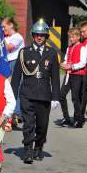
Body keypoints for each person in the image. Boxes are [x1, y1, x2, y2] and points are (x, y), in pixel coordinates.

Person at [11, 19, 60, 164]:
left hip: (44, 95)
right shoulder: (24, 52)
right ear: (33, 35)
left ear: (46, 37)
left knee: (42, 125)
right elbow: (16, 76)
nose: (39, 37)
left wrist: (55, 97)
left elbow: (55, 77)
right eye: (37, 34)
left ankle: (39, 146)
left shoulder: (51, 53)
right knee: (28, 124)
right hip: (27, 94)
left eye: (42, 35)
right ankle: (28, 150)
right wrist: (12, 96)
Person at [57, 27, 87, 128]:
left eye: (73, 37)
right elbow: (66, 59)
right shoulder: (69, 48)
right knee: (61, 95)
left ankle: (79, 120)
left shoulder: (82, 48)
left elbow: (83, 63)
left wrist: (72, 66)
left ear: (78, 37)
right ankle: (67, 118)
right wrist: (64, 64)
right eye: (70, 37)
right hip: (69, 75)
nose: (71, 39)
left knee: (75, 98)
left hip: (78, 75)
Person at [2, 17, 24, 124]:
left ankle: (17, 113)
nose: (3, 29)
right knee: (7, 89)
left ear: (11, 25)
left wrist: (0, 37)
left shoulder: (17, 37)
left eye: (4, 27)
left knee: (16, 87)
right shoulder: (5, 37)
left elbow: (9, 48)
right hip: (6, 63)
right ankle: (9, 112)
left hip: (15, 63)